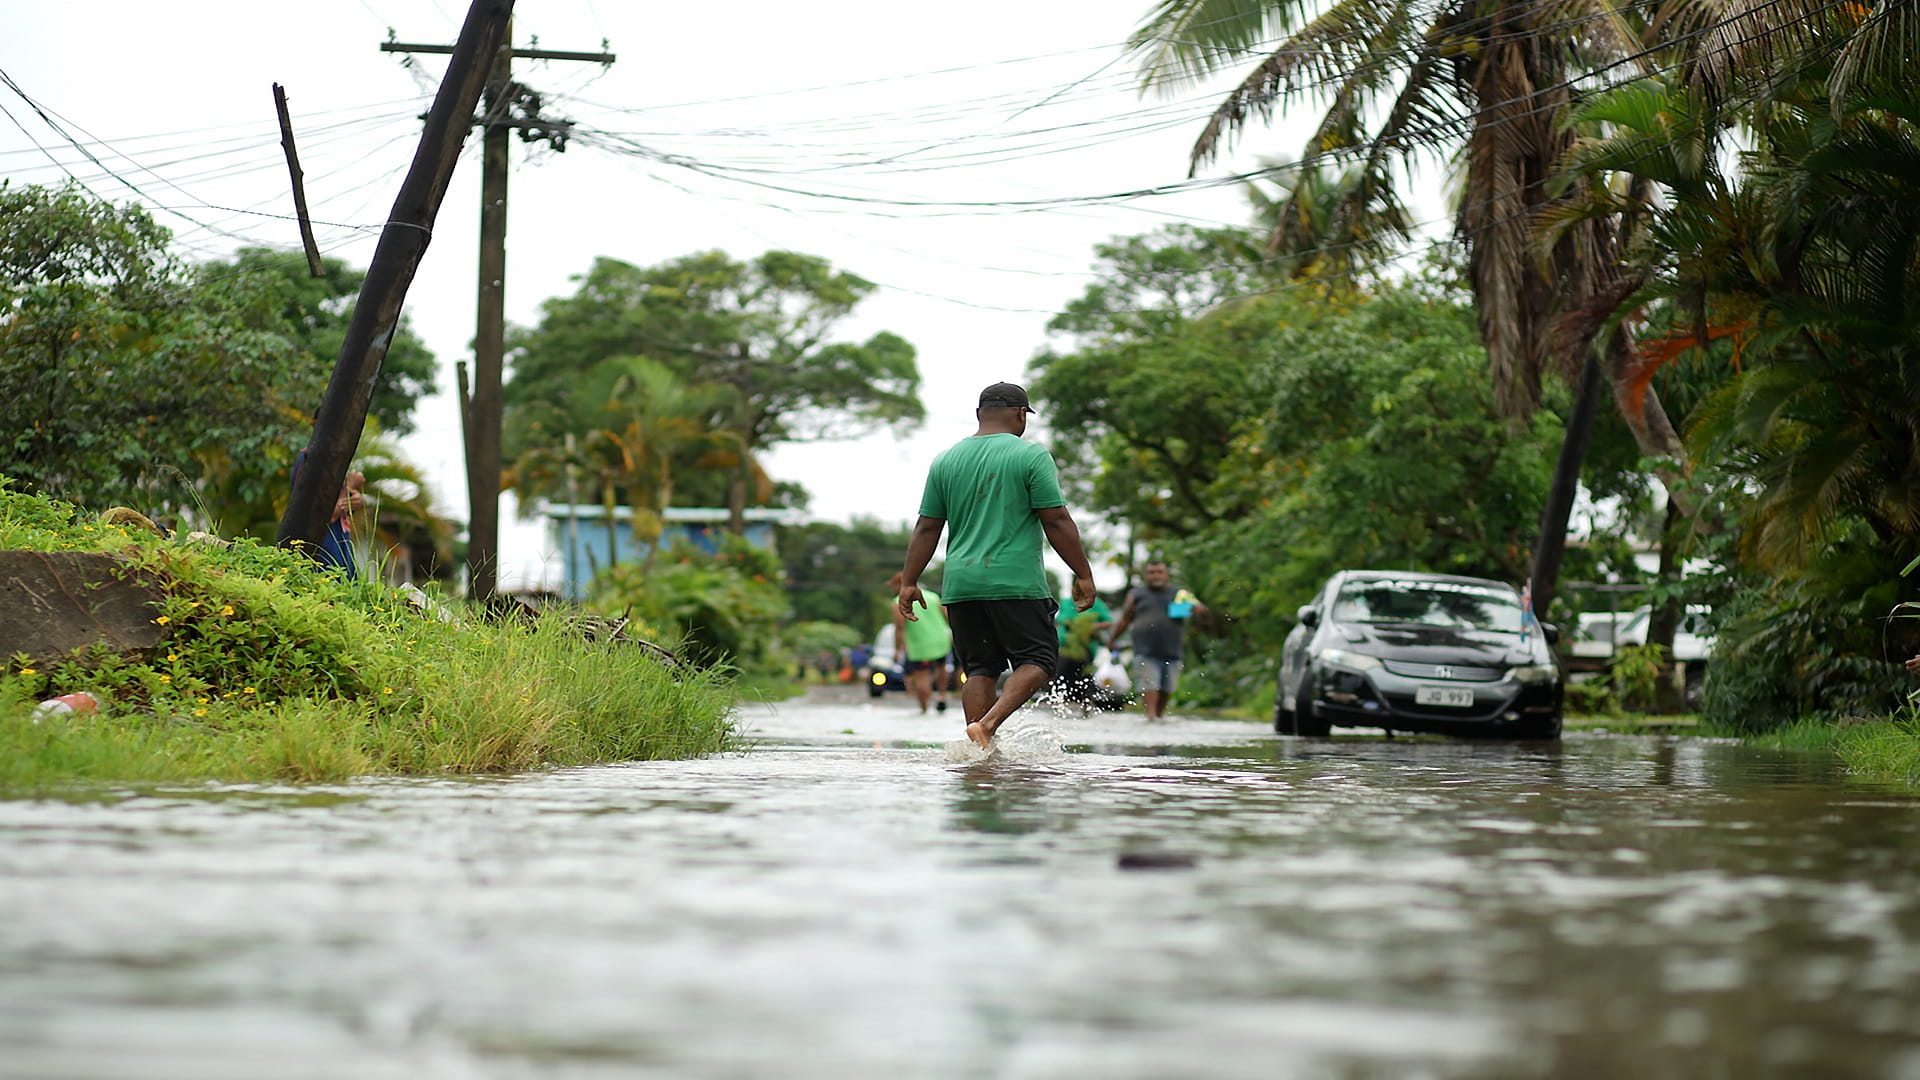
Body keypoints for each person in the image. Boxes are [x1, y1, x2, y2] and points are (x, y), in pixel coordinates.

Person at [899, 381, 1097, 748]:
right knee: (1038, 658)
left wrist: (909, 581)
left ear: (979, 414)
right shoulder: (1030, 456)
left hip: (960, 585)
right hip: (1014, 582)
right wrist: (1083, 573)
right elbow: (1055, 520)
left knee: (979, 669)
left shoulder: (946, 460)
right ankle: (988, 726)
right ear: (1021, 415)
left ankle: (978, 751)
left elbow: (927, 525)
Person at [1107, 560, 1206, 722]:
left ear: (1166, 575)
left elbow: (1200, 609)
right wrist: (1113, 639)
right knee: (1149, 684)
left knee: (1167, 688)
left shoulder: (1179, 594)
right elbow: (1125, 619)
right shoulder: (1136, 595)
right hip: (1145, 650)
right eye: (1152, 572)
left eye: (1159, 572)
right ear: (1145, 576)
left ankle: (1158, 717)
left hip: (1172, 650)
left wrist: (1185, 609)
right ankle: (1151, 717)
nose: (1156, 576)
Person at [888, 572, 953, 714]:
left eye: (894, 585)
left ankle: (924, 709)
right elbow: (948, 616)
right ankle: (941, 695)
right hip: (941, 640)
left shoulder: (898, 601)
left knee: (921, 676)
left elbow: (899, 627)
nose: (893, 589)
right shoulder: (932, 597)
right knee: (941, 668)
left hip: (920, 644)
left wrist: (897, 650)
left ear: (900, 585)